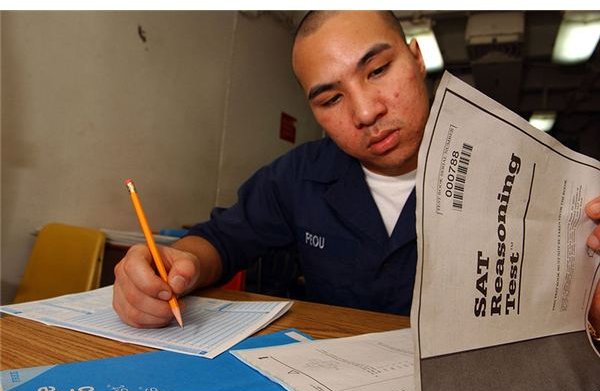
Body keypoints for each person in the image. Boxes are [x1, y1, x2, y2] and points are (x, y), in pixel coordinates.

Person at [112, 11, 600, 335]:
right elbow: (219, 240)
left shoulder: (535, 173)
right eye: (331, 98)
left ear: (416, 56)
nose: (365, 112)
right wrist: (176, 266)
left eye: (379, 70)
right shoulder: (296, 177)